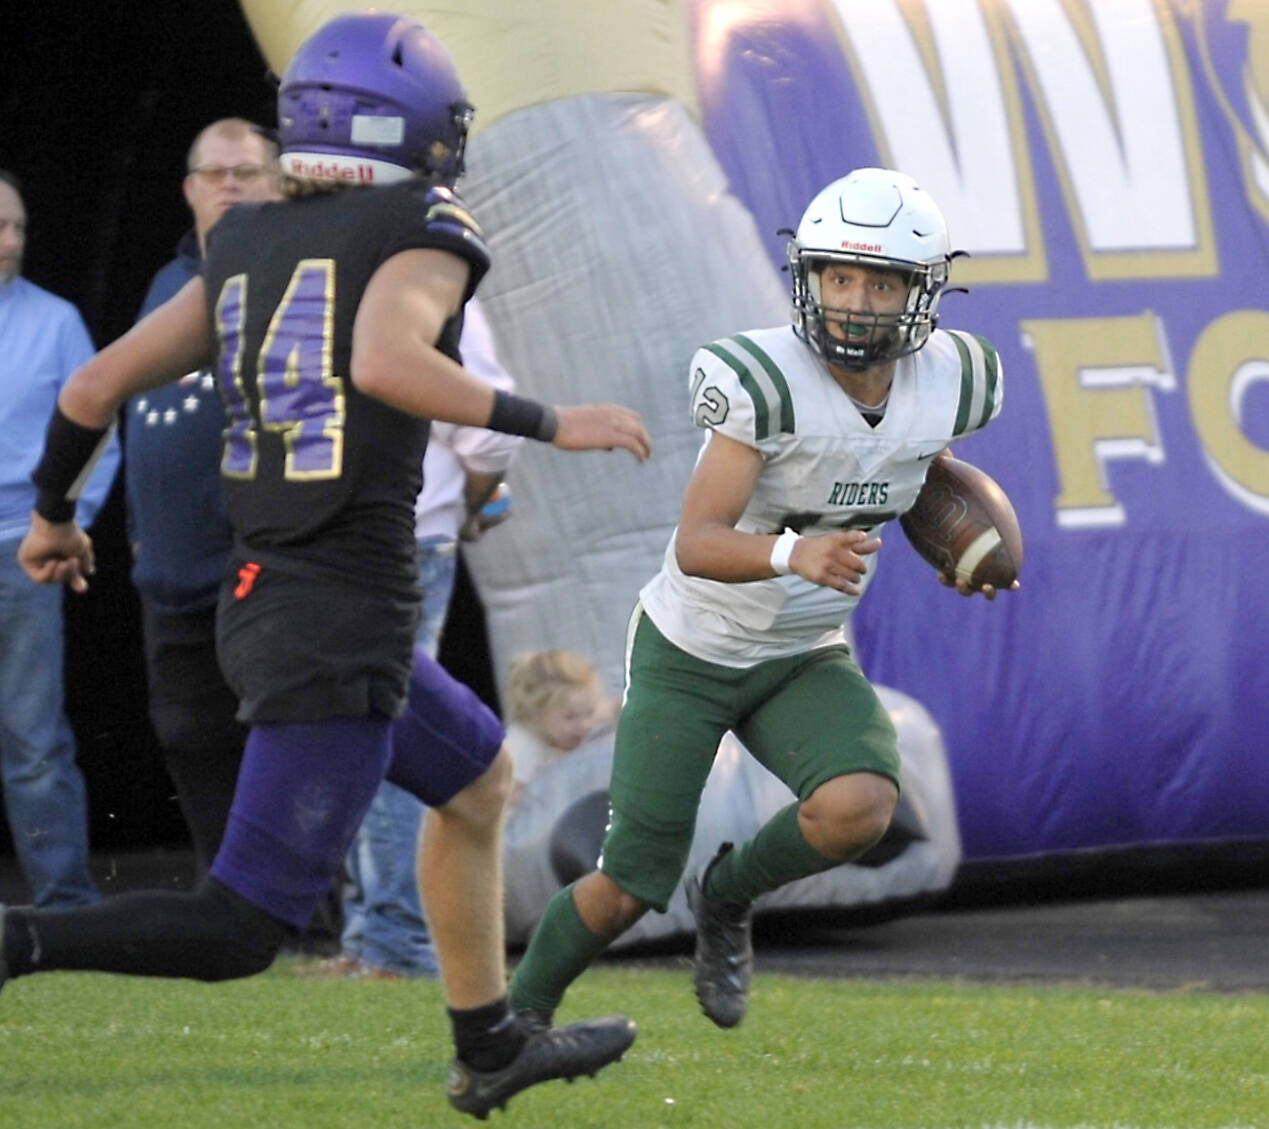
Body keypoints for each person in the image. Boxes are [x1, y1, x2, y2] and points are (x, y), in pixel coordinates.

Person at [4, 12, 649, 1119]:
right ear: (416, 127)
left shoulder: (246, 239)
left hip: (286, 599)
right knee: (240, 927)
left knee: (479, 779)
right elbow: (387, 359)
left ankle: (488, 1040)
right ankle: (15, 942)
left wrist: (57, 514)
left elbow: (89, 391)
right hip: (335, 612)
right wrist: (551, 418)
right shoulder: (421, 221)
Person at [508, 167, 1012, 1035]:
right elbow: (696, 542)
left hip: (798, 651)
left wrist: (965, 548)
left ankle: (728, 894)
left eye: (880, 281)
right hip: (693, 650)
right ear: (807, 278)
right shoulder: (763, 378)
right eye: (836, 276)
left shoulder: (955, 378)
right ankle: (507, 1027)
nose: (853, 300)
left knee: (860, 806)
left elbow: (907, 459)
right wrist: (794, 549)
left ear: (919, 291)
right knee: (629, 885)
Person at [337, 296, 523, 981]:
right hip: (381, 542)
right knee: (365, 731)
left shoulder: (436, 295)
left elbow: (488, 428)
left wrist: (467, 503)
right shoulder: (419, 286)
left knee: (386, 734)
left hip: (401, 542)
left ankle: (389, 938)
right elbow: (486, 434)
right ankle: (371, 934)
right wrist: (473, 502)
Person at [124, 119, 281, 884]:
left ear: (280, 184)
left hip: (254, 565)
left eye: (246, 172)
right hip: (170, 570)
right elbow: (131, 408)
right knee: (187, 734)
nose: (227, 184)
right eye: (213, 173)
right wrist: (134, 531)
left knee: (277, 738)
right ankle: (222, 890)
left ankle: (297, 910)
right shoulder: (167, 282)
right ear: (188, 188)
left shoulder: (295, 278)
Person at [0, 168, 119, 909]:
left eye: (16, 227)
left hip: (22, 546)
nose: (9, 241)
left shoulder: (55, 320)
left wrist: (68, 526)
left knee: (33, 742)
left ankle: (66, 909)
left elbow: (100, 435)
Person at [503, 648, 617, 808]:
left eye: (589, 712)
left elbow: (612, 710)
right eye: (570, 717)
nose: (585, 724)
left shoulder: (578, 715)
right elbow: (504, 797)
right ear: (537, 714)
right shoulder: (521, 747)